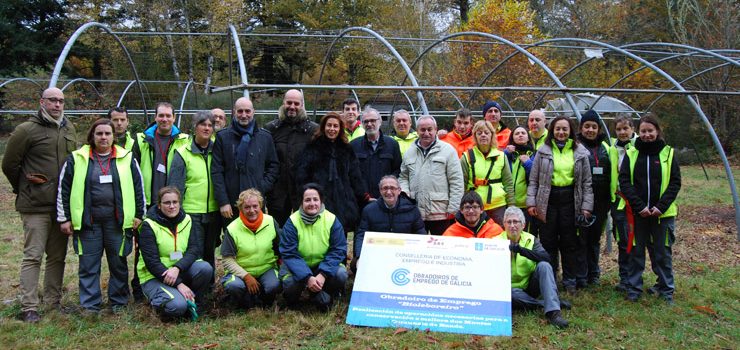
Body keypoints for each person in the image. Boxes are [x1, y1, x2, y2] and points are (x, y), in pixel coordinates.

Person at [2, 87, 77, 322]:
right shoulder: (26, 130)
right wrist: (25, 186)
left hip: (61, 207)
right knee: (33, 255)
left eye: (61, 101)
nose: (57, 105)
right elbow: (9, 165)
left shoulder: (69, 129)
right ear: (42, 102)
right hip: (35, 205)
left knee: (57, 257)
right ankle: (29, 307)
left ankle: (52, 302)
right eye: (52, 100)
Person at [57, 118, 146, 314]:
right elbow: (64, 188)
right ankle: (90, 305)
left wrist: (140, 214)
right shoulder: (76, 158)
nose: (103, 137)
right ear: (92, 136)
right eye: (99, 133)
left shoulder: (127, 157)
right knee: (88, 265)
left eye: (107, 133)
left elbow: (139, 188)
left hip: (118, 223)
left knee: (118, 264)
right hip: (89, 223)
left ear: (114, 136)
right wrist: (64, 218)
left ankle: (119, 303)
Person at [526, 116, 593, 295]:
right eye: (558, 129)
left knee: (570, 243)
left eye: (565, 129)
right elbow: (533, 180)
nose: (561, 132)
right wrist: (531, 202)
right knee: (548, 242)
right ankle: (551, 280)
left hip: (570, 201)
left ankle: (570, 280)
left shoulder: (580, 152)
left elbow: (587, 183)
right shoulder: (543, 151)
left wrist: (586, 207)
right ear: (552, 131)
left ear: (571, 131)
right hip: (547, 201)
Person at [619, 114, 680, 303]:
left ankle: (665, 289)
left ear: (657, 131)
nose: (646, 135)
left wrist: (660, 207)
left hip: (662, 215)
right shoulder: (631, 153)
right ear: (638, 132)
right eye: (643, 131)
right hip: (638, 214)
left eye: (650, 131)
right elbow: (625, 181)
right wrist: (639, 206)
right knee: (636, 252)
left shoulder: (668, 153)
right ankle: (634, 288)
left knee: (662, 253)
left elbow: (675, 182)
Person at [131, 101, 190, 300]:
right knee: (143, 248)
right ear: (155, 117)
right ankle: (140, 289)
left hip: (173, 203)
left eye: (168, 116)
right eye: (161, 115)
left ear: (174, 118)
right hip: (149, 202)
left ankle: (174, 283)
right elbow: (133, 172)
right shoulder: (141, 140)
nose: (164, 119)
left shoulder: (184, 140)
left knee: (173, 246)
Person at [137, 187, 214, 319]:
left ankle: (196, 302)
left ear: (180, 203)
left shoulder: (187, 220)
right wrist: (179, 284)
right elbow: (152, 262)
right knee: (177, 307)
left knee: (205, 268)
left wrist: (177, 268)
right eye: (167, 203)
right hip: (155, 276)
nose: (172, 206)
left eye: (175, 202)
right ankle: (162, 302)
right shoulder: (148, 225)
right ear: (159, 205)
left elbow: (194, 249)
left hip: (178, 270)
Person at [169, 111, 222, 283]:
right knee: (195, 252)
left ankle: (210, 288)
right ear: (195, 127)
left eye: (210, 125)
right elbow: (175, 187)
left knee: (210, 250)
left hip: (214, 211)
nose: (207, 128)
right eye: (203, 124)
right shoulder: (183, 153)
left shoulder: (218, 149)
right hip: (192, 213)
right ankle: (194, 288)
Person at [495, 207, 570, 328]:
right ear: (504, 224)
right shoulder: (496, 241)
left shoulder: (531, 239)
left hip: (530, 285)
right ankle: (545, 303)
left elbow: (546, 258)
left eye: (516, 222)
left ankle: (554, 313)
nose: (512, 225)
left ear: (523, 225)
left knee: (544, 266)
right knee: (509, 294)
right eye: (509, 222)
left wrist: (521, 250)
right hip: (509, 289)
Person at [295, 112, 369, 233]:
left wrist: (362, 196)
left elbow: (355, 175)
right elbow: (302, 174)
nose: (332, 129)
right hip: (319, 199)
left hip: (343, 200)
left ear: (340, 129)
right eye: (329, 125)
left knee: (340, 234)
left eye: (335, 126)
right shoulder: (312, 147)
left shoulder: (347, 149)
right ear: (323, 127)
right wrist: (306, 195)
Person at [211, 97, 279, 226]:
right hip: (231, 202)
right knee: (233, 240)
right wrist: (223, 201)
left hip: (256, 203)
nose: (244, 115)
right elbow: (217, 171)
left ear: (253, 112)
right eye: (240, 111)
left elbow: (273, 166)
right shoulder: (223, 137)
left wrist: (262, 186)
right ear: (234, 112)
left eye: (247, 111)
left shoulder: (265, 137)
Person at [279, 184, 348, 311]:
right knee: (290, 284)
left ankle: (321, 292)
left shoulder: (331, 219)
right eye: (307, 200)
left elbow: (339, 249)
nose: (312, 203)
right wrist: (307, 277)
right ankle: (293, 299)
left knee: (341, 274)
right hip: (297, 266)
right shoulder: (292, 221)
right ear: (301, 202)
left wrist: (323, 273)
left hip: (322, 266)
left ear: (321, 201)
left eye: (315, 199)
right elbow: (289, 253)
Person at [399, 115, 464, 235]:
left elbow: (456, 181)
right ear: (417, 130)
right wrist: (405, 194)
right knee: (417, 249)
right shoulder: (409, 152)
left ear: (435, 129)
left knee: (441, 249)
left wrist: (453, 208)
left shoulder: (448, 150)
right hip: (416, 211)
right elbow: (403, 177)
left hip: (441, 212)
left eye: (430, 129)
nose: (426, 133)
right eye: (422, 130)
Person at [264, 89, 318, 225]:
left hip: (304, 190)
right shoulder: (271, 129)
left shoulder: (313, 130)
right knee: (278, 230)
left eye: (296, 103)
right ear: (283, 103)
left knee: (305, 228)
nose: (292, 107)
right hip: (278, 192)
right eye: (289, 102)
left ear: (302, 105)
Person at [220, 189, 281, 309]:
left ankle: (264, 300)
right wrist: (246, 276)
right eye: (247, 207)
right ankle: (243, 302)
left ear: (261, 206)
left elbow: (282, 247)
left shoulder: (270, 221)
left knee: (274, 285)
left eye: (255, 206)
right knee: (234, 286)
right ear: (240, 208)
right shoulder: (232, 229)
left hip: (266, 268)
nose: (252, 210)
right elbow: (227, 260)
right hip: (241, 272)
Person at [353, 175, 425, 270]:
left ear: (399, 191)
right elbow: (361, 235)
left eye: (392, 188)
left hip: (404, 256)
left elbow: (420, 235)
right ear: (380, 191)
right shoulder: (368, 210)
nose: (389, 192)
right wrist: (359, 256)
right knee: (354, 265)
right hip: (378, 254)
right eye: (385, 188)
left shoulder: (412, 210)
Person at [576, 110, 613, 286]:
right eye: (587, 126)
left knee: (594, 239)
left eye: (593, 126)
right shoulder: (575, 146)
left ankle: (594, 273)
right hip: (582, 201)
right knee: (581, 239)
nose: (590, 130)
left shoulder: (606, 148)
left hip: (601, 201)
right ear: (581, 127)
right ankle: (581, 275)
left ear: (598, 129)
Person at [460, 120, 514, 225]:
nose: (483, 135)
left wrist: (511, 205)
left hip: (498, 205)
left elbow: (508, 182)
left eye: (486, 132)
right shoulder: (466, 157)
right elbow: (462, 183)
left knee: (500, 236)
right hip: (474, 207)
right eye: (479, 133)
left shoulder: (501, 156)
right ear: (475, 136)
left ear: (492, 135)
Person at [609, 115, 637, 292]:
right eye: (619, 129)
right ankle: (624, 278)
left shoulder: (640, 147)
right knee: (622, 239)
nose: (622, 132)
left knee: (635, 240)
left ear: (632, 129)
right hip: (618, 200)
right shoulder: (613, 149)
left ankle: (635, 277)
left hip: (635, 202)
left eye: (625, 128)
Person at [350, 107, 402, 199]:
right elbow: (352, 174)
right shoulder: (354, 146)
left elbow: (397, 170)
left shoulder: (392, 144)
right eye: (366, 121)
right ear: (362, 124)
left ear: (380, 122)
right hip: (362, 200)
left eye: (373, 120)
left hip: (387, 198)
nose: (369, 124)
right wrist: (364, 195)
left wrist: (388, 189)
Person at [505, 125, 536, 229]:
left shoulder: (534, 155)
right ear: (512, 138)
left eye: (523, 133)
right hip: (508, 203)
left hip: (526, 204)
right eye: (517, 133)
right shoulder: (508, 155)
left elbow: (537, 176)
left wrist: (528, 163)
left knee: (525, 232)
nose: (520, 135)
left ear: (528, 137)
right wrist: (506, 153)